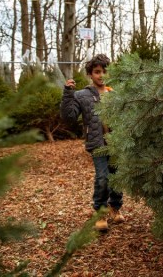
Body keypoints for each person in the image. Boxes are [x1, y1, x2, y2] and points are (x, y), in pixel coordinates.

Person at [60, 54, 125, 232]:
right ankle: (100, 212)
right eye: (97, 72)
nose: (101, 75)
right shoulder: (82, 95)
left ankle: (115, 207)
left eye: (105, 71)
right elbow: (69, 117)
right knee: (102, 177)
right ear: (90, 74)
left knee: (116, 177)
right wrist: (67, 94)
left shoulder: (115, 94)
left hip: (116, 143)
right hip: (97, 144)